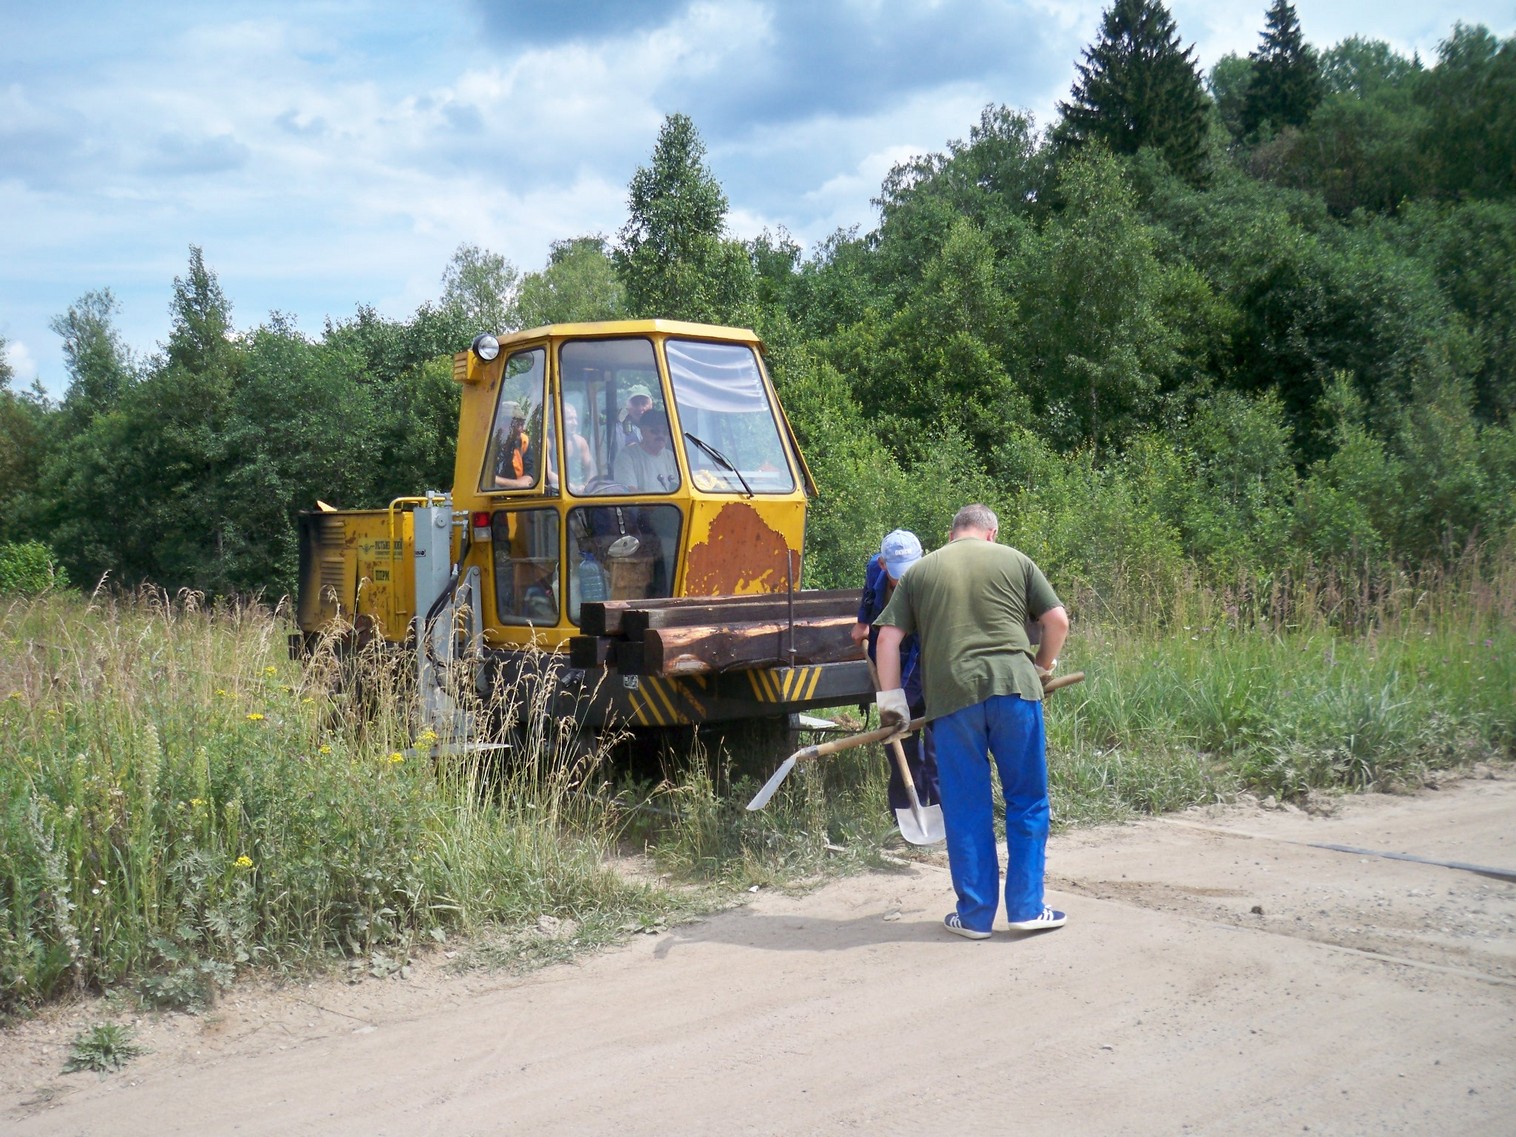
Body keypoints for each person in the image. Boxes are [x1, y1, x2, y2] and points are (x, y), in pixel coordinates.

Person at [874, 503, 1070, 941]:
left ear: (951, 535)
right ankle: (1027, 909)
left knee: (966, 806)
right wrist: (1042, 666)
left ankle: (976, 917)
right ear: (991, 533)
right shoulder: (1016, 560)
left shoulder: (921, 571)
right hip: (1015, 691)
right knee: (1027, 799)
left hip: (952, 699)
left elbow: (887, 639)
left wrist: (893, 704)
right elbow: (1057, 621)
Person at [851, 529, 938, 822]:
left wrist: (900, 697)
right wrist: (862, 622)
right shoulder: (875, 567)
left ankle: (946, 815)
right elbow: (870, 593)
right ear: (883, 564)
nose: (903, 581)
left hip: (929, 665)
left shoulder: (930, 585)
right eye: (896, 573)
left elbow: (919, 650)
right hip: (890, 656)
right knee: (899, 743)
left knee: (938, 749)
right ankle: (906, 815)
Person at [612, 408, 679, 492]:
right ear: (642, 431)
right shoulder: (626, 456)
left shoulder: (672, 457)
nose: (661, 435)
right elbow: (630, 491)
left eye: (665, 432)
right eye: (655, 431)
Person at [492, 402, 535, 489]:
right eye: (517, 424)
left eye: (522, 424)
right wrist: (516, 484)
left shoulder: (523, 442)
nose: (521, 429)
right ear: (503, 424)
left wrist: (496, 480)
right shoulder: (489, 444)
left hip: (515, 494)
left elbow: (528, 478)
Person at [561, 401, 596, 492]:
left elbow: (591, 468)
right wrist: (566, 485)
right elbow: (548, 472)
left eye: (576, 419)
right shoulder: (548, 442)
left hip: (577, 491)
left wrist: (585, 485)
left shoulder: (580, 442)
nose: (575, 423)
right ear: (557, 420)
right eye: (570, 419)